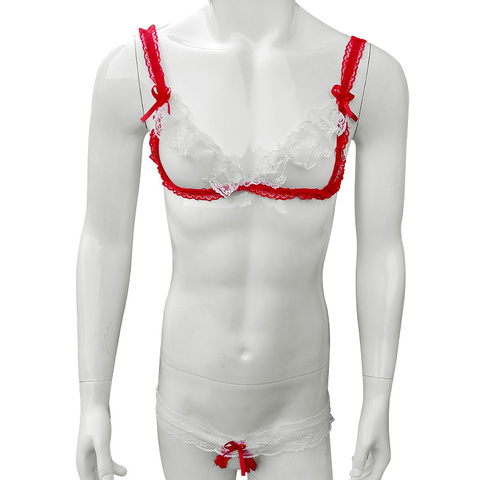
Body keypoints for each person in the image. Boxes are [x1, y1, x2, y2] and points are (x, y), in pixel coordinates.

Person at [75, 1, 408, 479]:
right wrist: (93, 400)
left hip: (297, 400)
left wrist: (378, 396)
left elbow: (381, 250)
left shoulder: (372, 75)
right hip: (188, 395)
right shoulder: (131, 69)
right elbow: (103, 241)